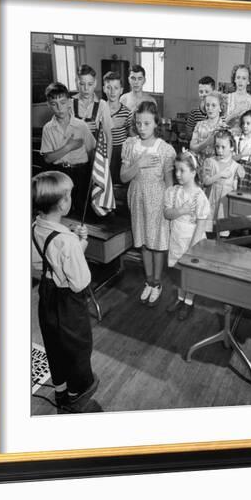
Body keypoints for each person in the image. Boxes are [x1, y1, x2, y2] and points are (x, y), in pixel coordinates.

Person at [31, 171, 99, 409]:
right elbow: (80, 282)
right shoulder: (66, 240)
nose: (71, 198)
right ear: (62, 203)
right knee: (77, 347)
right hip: (68, 303)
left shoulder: (35, 227)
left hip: (47, 296)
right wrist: (80, 245)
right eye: (69, 195)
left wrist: (76, 243)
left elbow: (41, 262)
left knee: (54, 343)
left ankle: (60, 390)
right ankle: (76, 394)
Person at [120, 101, 175, 306]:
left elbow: (169, 181)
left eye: (147, 123)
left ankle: (157, 282)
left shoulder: (165, 149)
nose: (142, 128)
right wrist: (139, 163)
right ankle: (148, 281)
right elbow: (124, 177)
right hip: (137, 197)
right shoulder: (130, 145)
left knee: (157, 242)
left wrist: (169, 205)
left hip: (157, 198)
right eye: (139, 123)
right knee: (143, 240)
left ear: (155, 124)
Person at [164, 151, 210, 320]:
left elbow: (201, 224)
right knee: (178, 271)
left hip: (192, 240)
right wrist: (181, 210)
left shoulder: (200, 197)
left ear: (193, 172)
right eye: (176, 170)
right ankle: (180, 298)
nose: (177, 174)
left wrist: (193, 248)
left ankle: (189, 302)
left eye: (182, 170)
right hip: (177, 237)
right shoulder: (174, 192)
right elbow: (168, 214)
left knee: (190, 273)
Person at [40, 82, 96, 216]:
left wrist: (94, 175)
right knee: (63, 210)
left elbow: (92, 150)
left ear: (70, 102)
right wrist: (69, 147)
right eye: (54, 104)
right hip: (60, 174)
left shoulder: (81, 125)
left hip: (81, 173)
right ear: (48, 105)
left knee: (83, 210)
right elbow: (48, 158)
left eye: (63, 102)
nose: (59, 108)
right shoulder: (48, 128)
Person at [203, 128, 245, 232]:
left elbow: (235, 189)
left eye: (223, 147)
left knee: (223, 233)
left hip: (225, 205)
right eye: (217, 147)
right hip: (211, 203)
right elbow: (206, 181)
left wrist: (240, 171)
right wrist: (220, 174)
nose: (220, 150)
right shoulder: (210, 162)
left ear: (231, 147)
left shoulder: (236, 166)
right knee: (209, 232)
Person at [71, 64, 113, 159]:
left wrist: (107, 165)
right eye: (82, 84)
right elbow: (63, 135)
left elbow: (109, 138)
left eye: (90, 84)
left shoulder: (102, 105)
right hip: (74, 158)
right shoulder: (70, 104)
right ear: (77, 83)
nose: (86, 88)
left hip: (95, 159)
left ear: (95, 83)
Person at [103, 70, 133, 184]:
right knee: (105, 182)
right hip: (104, 150)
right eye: (109, 87)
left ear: (121, 90)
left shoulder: (127, 112)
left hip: (121, 151)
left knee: (120, 182)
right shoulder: (99, 110)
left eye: (116, 88)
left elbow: (131, 135)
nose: (112, 91)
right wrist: (110, 123)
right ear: (104, 88)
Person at [189, 91, 226, 177]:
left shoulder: (224, 127)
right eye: (207, 105)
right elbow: (192, 147)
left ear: (220, 108)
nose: (210, 108)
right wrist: (207, 142)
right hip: (200, 169)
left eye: (213, 105)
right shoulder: (199, 125)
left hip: (218, 171)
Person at [224, 64, 251, 136]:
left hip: (245, 141)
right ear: (234, 79)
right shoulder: (226, 98)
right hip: (226, 140)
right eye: (238, 77)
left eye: (244, 78)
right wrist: (235, 113)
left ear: (249, 81)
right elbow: (220, 124)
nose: (240, 81)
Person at [184, 76, 216, 140]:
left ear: (213, 92)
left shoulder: (218, 112)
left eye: (207, 92)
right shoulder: (194, 113)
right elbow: (188, 134)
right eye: (201, 92)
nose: (203, 94)